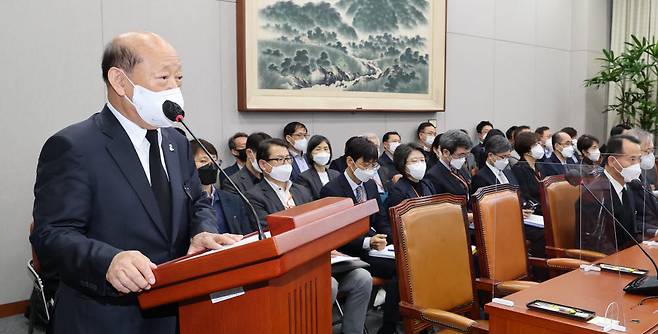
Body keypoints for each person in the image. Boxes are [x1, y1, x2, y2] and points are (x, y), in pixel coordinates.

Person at [30, 32, 242, 334]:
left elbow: (197, 202)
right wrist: (108, 261)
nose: (174, 88)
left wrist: (203, 232)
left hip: (178, 312)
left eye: (179, 78)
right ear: (119, 81)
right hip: (106, 318)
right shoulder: (73, 146)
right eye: (163, 77)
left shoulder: (177, 142)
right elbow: (51, 235)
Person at [245, 138, 372, 334]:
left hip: (321, 259)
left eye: (288, 158)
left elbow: (319, 225)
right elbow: (269, 237)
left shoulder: (301, 190)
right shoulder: (255, 196)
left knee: (362, 278)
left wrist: (330, 248)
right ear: (263, 164)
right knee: (327, 285)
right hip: (292, 265)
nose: (286, 164)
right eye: (279, 160)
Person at [319, 137, 398, 334]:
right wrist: (366, 243)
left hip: (376, 247)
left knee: (406, 262)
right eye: (366, 164)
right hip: (350, 251)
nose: (371, 169)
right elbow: (334, 234)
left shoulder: (370, 185)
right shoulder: (332, 190)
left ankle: (391, 321)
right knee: (400, 268)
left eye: (374, 164)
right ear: (350, 162)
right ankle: (388, 325)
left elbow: (380, 219)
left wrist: (390, 239)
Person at [576, 135, 643, 254]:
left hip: (627, 256)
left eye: (639, 159)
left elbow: (631, 232)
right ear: (612, 161)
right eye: (632, 159)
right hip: (605, 263)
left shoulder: (628, 187)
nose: (637, 165)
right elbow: (595, 243)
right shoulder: (594, 195)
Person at [191, 139, 254, 235]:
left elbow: (247, 235)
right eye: (203, 161)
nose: (211, 165)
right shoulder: (181, 202)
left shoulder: (233, 199)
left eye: (214, 160)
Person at [511, 132, 547, 257]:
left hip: (543, 211)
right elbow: (525, 196)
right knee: (544, 232)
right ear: (527, 151)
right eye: (536, 144)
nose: (540, 147)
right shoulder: (519, 169)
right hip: (532, 214)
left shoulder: (538, 167)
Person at [425, 129, 473, 198]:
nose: (464, 159)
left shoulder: (461, 167)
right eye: (460, 155)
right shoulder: (433, 176)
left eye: (466, 154)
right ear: (446, 152)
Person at [387, 143, 435, 209]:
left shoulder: (427, 184)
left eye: (422, 160)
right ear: (402, 164)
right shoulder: (398, 190)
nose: (420, 164)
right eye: (414, 161)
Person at [296, 135, 341, 200]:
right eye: (318, 149)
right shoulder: (304, 177)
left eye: (326, 149)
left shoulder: (336, 174)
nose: (323, 152)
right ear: (310, 153)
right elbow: (307, 200)